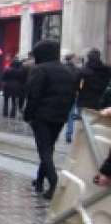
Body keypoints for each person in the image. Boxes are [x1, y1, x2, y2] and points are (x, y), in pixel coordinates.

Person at [25, 39, 79, 199]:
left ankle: (54, 182)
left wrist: (28, 114)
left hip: (42, 116)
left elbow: (33, 96)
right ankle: (40, 180)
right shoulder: (69, 71)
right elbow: (72, 96)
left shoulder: (39, 70)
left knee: (44, 150)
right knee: (49, 148)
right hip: (60, 116)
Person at [63, 50, 81, 143]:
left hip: (62, 94)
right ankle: (68, 134)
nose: (76, 60)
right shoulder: (77, 70)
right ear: (71, 59)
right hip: (73, 94)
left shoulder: (61, 68)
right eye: (75, 58)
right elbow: (78, 83)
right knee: (70, 115)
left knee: (62, 113)